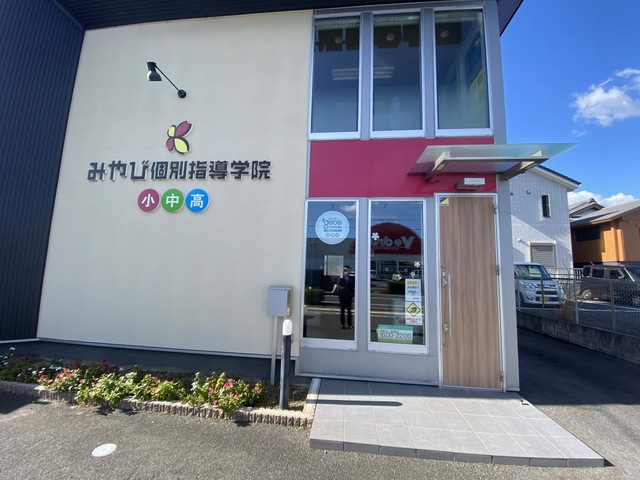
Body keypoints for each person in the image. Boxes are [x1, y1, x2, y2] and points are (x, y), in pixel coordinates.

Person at [333, 265, 355, 329]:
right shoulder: (341, 278)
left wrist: (352, 294)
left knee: (349, 311)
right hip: (342, 297)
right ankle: (342, 324)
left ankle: (349, 324)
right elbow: (336, 283)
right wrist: (340, 277)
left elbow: (353, 287)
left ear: (349, 271)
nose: (345, 272)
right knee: (342, 311)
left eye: (346, 270)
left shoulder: (352, 279)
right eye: (344, 270)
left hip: (349, 297)